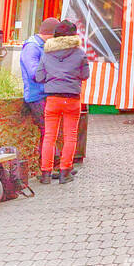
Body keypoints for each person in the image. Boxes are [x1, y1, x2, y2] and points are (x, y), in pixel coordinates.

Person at [33, 20, 89, 183]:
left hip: (53, 98)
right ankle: (65, 173)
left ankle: (45, 174)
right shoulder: (80, 53)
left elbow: (39, 77)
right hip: (72, 99)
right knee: (70, 136)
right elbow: (85, 75)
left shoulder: (47, 53)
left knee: (49, 136)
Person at [19, 17, 62, 178]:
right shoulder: (32, 47)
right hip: (37, 96)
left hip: (45, 94)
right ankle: (48, 168)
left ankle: (52, 166)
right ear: (50, 34)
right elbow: (34, 73)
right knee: (48, 132)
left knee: (49, 132)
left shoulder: (41, 46)